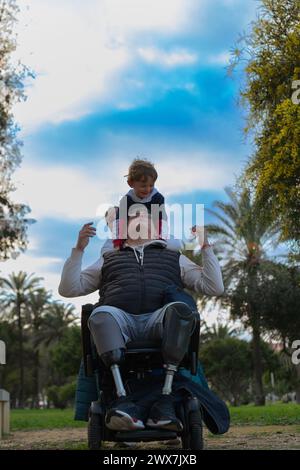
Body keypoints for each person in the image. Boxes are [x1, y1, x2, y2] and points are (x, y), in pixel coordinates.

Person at [58, 214, 224, 432]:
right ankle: (122, 401)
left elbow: (214, 287)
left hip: (158, 320)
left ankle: (165, 401)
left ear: (156, 227)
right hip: (121, 320)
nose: (139, 221)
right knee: (99, 314)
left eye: (145, 218)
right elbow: (69, 289)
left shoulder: (174, 257)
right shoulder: (109, 258)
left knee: (181, 310)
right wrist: (78, 249)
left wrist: (205, 246)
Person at [101, 158, 168, 253]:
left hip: (153, 233)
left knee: (174, 245)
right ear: (130, 183)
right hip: (133, 235)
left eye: (151, 185)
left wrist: (161, 238)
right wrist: (118, 242)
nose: (148, 189)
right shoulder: (126, 200)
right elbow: (120, 221)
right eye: (143, 186)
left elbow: (161, 220)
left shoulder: (157, 198)